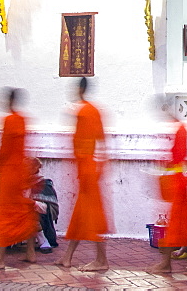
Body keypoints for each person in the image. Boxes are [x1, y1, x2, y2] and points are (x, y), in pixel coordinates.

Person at [0, 88, 39, 270]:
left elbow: (4, 150)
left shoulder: (9, 120)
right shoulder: (22, 120)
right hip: (20, 172)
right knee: (23, 210)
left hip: (9, 173)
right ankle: (30, 252)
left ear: (10, 102)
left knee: (4, 216)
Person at [55, 77, 110, 271]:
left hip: (88, 169)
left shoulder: (85, 112)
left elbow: (87, 143)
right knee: (80, 216)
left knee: (92, 216)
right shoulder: (90, 111)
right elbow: (101, 141)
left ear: (80, 89)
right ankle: (67, 256)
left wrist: (93, 167)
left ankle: (101, 260)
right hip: (88, 168)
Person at [147, 97, 187, 274]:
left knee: (178, 224)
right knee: (185, 224)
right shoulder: (178, 129)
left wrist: (165, 168)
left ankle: (166, 263)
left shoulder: (180, 130)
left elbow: (177, 158)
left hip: (178, 182)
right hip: (178, 179)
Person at [31, 158, 60, 253]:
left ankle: (43, 241)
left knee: (31, 211)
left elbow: (48, 205)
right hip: (34, 207)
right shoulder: (24, 181)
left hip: (47, 210)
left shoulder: (44, 183)